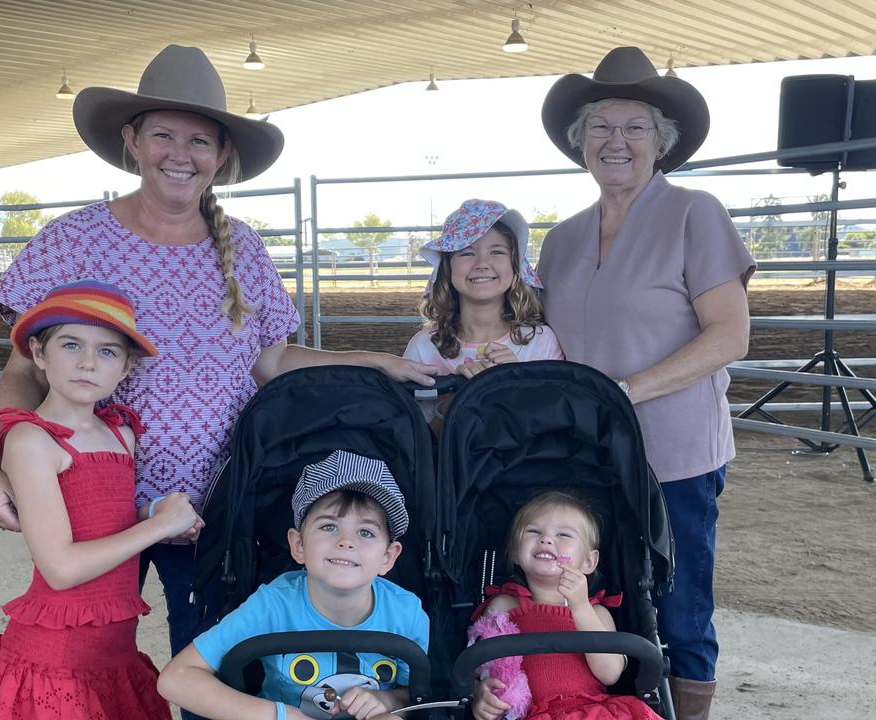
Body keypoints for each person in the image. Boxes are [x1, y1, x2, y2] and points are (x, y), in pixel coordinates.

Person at [0, 44, 438, 669]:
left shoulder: (241, 248)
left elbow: (269, 360)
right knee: (80, 652)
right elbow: (25, 366)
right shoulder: (74, 241)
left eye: (199, 142)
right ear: (133, 140)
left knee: (208, 657)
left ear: (221, 157)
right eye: (164, 135)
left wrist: (370, 362)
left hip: (214, 501)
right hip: (93, 495)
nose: (180, 156)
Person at [535, 47, 756, 719]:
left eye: (635, 127)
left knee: (681, 601)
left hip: (675, 451)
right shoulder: (561, 239)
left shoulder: (696, 212)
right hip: (587, 455)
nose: (616, 141)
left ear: (662, 142)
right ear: (581, 144)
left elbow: (729, 335)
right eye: (601, 126)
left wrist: (626, 391)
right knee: (601, 595)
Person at [0, 279, 201, 720]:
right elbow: (62, 568)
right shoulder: (31, 440)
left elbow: (98, 520)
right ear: (38, 353)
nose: (88, 363)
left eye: (107, 351)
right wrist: (159, 526)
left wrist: (151, 512)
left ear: (126, 368)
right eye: (71, 345)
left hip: (113, 654)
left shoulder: (119, 432)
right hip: (59, 659)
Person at [158, 450, 428, 720]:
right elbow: (176, 679)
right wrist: (280, 715)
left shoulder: (406, 613)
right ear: (298, 545)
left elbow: (414, 691)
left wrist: (386, 699)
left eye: (365, 532)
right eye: (329, 527)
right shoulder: (273, 605)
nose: (346, 542)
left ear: (387, 557)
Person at [468, 491, 662, 720]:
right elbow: (477, 665)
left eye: (563, 534)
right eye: (533, 531)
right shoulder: (504, 607)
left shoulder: (597, 612)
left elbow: (610, 674)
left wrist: (580, 607)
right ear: (516, 553)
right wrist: (478, 693)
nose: (546, 539)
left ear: (589, 561)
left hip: (593, 711)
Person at [405, 199, 562, 379]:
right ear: (447, 269)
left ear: (515, 266)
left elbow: (555, 405)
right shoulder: (423, 347)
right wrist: (454, 390)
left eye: (497, 252)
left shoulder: (541, 342)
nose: (482, 264)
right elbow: (413, 407)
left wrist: (518, 380)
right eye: (466, 253)